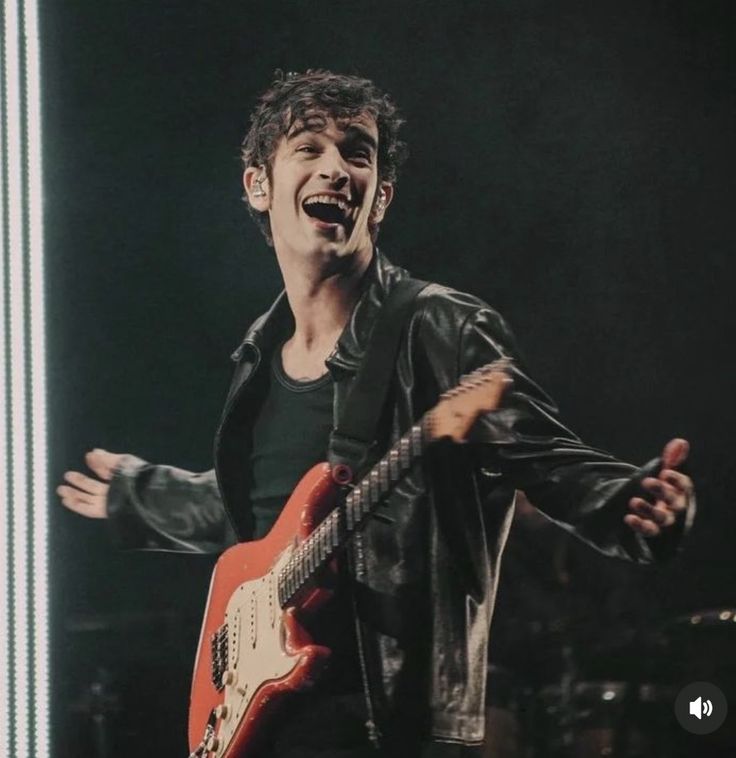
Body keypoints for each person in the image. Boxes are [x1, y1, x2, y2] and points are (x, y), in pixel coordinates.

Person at [57, 70, 694, 757]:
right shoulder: (258, 357)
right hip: (265, 721)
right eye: (310, 148)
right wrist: (139, 495)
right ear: (258, 186)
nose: (336, 167)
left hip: (388, 724)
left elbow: (548, 461)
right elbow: (254, 511)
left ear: (379, 198)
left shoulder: (439, 328)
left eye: (357, 152)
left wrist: (634, 503)